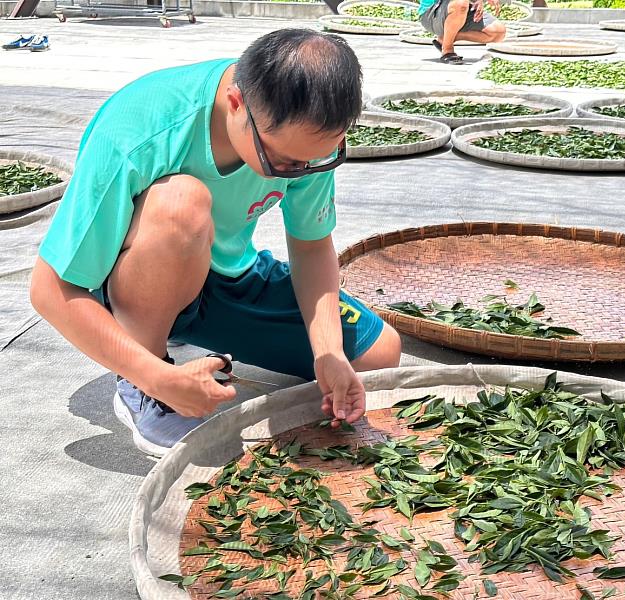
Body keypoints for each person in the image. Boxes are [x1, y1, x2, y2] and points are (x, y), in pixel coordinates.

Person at [29, 29, 402, 457]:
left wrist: (328, 353)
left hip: (228, 272)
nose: (295, 172)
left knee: (379, 353)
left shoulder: (306, 139)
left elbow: (312, 247)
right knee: (181, 202)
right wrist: (154, 376)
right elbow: (51, 288)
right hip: (142, 272)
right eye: (280, 161)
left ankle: (188, 332)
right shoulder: (141, 127)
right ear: (236, 103)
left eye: (314, 160)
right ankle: (145, 380)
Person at [418, 0, 507, 64]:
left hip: (461, 9)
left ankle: (445, 39)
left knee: (498, 32)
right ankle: (447, 49)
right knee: (461, 3)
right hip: (432, 14)